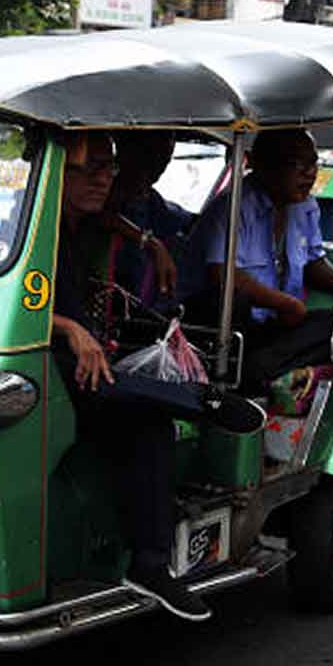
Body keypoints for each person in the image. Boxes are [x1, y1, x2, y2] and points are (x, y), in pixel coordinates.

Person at [51, 131, 262, 623]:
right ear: (61, 172)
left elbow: (110, 218)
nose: (104, 179)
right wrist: (68, 328)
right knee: (125, 393)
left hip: (81, 357)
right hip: (35, 361)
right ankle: (204, 402)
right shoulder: (36, 226)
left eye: (109, 167)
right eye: (90, 168)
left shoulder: (84, 221)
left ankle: (149, 563)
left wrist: (146, 241)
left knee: (148, 425)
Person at [180, 129, 333, 394]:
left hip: (273, 330)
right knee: (235, 302)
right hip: (218, 329)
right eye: (297, 164)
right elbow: (222, 275)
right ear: (261, 165)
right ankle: (252, 371)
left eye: (313, 163)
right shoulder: (232, 207)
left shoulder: (305, 206)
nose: (309, 173)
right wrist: (285, 303)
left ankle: (259, 368)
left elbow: (314, 262)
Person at [108, 130, 193, 304]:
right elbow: (101, 215)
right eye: (151, 155)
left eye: (165, 158)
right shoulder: (104, 194)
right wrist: (150, 243)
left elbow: (181, 223)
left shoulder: (155, 204)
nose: (159, 166)